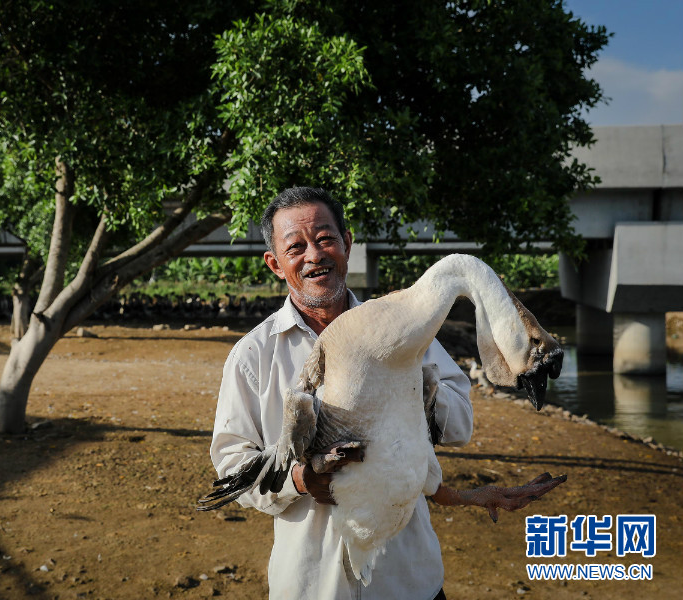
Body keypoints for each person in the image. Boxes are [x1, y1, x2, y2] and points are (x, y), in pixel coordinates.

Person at [209, 187, 563, 599]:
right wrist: (302, 480)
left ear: (347, 243)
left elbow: (459, 427)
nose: (314, 255)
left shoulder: (407, 330)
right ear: (275, 263)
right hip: (314, 587)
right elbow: (233, 468)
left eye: (325, 239)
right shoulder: (253, 356)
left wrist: (412, 381)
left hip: (409, 583)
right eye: (296, 247)